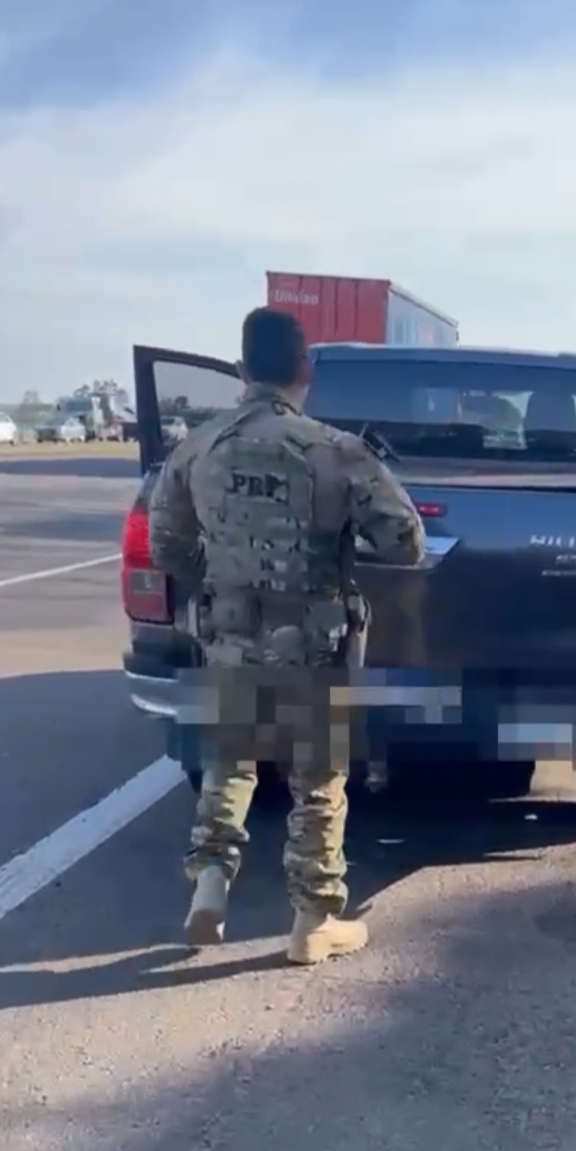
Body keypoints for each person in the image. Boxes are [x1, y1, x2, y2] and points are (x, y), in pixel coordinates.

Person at [148, 307, 425, 964]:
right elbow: (407, 541)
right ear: (305, 371)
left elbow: (166, 545)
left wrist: (222, 583)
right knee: (318, 778)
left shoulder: (196, 448)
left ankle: (210, 881)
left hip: (230, 633)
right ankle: (312, 920)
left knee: (231, 760)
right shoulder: (337, 451)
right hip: (312, 640)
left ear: (242, 370)